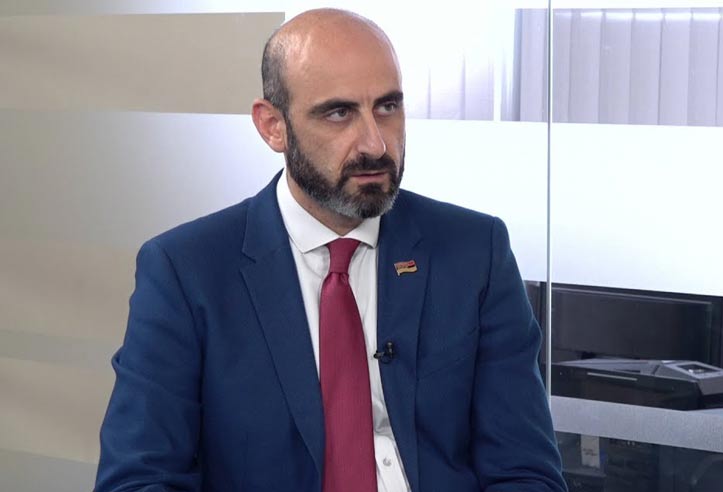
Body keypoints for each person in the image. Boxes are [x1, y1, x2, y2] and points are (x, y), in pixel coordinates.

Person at [95, 8, 566, 492]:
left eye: (387, 107)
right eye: (339, 113)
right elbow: (139, 479)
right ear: (272, 126)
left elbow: (526, 472)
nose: (375, 144)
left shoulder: (474, 252)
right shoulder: (186, 272)